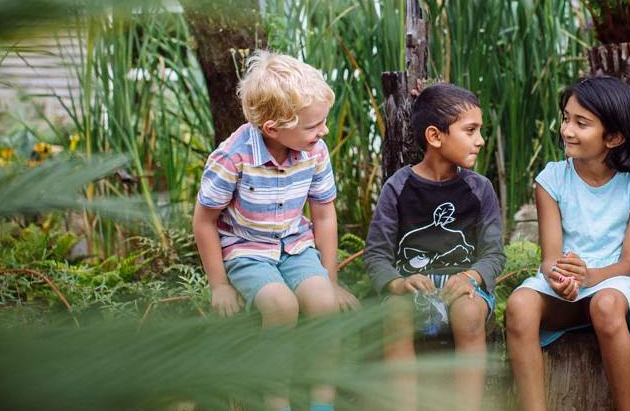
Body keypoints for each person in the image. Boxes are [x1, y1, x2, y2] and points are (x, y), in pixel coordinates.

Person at [193, 50, 357, 411]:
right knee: (281, 306)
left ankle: (322, 404)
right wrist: (218, 285)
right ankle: (276, 403)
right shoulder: (233, 157)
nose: (323, 131)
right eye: (314, 125)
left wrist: (329, 278)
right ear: (273, 129)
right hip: (246, 249)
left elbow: (324, 214)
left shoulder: (314, 151)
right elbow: (204, 220)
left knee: (324, 303)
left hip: (295, 245)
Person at [505, 75, 630, 411]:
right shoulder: (552, 179)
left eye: (581, 123)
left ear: (615, 136)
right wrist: (560, 278)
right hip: (569, 290)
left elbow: (629, 265)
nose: (566, 130)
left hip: (616, 285)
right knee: (520, 306)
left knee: (604, 305)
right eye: (565, 118)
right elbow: (550, 259)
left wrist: (589, 277)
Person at [364, 83, 505, 411]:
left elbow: (494, 253)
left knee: (469, 315)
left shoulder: (479, 189)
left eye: (479, 131)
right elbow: (377, 253)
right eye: (470, 131)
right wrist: (398, 283)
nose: (480, 140)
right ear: (435, 136)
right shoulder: (397, 188)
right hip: (412, 287)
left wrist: (471, 276)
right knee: (396, 314)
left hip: (464, 287)